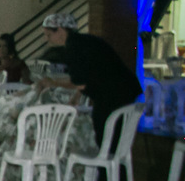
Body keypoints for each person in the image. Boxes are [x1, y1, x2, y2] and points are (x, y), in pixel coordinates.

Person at [38, 12, 141, 146]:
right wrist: (76, 96)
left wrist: (53, 83)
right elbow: (88, 74)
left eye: (49, 35)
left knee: (105, 139)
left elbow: (79, 82)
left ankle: (107, 159)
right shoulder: (85, 41)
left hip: (114, 96)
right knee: (115, 141)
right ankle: (115, 158)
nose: (47, 39)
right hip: (125, 91)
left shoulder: (74, 47)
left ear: (61, 31)